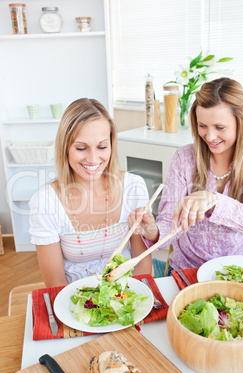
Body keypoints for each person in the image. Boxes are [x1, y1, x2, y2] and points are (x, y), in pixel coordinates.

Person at [128, 77, 243, 277]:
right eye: (202, 126)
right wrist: (153, 231)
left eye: (219, 127)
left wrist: (215, 202)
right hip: (187, 271)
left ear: (241, 122)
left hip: (242, 273)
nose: (209, 136)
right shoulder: (184, 158)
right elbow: (170, 221)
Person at [29, 98, 152, 287]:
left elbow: (142, 261)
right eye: (81, 148)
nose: (94, 159)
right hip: (75, 300)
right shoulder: (45, 201)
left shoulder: (133, 187)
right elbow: (55, 283)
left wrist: (132, 302)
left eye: (102, 147)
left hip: (127, 294)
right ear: (65, 148)